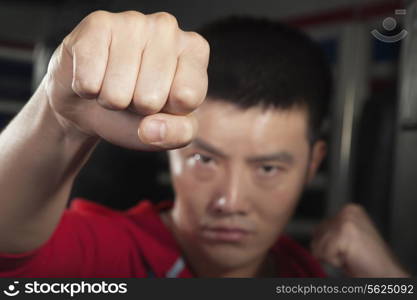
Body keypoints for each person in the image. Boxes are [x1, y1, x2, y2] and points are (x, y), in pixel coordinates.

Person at [0, 10, 409, 278]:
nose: (229, 201)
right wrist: (57, 120)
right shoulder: (109, 253)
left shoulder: (306, 276)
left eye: (268, 168)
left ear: (312, 163)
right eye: (203, 159)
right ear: (171, 147)